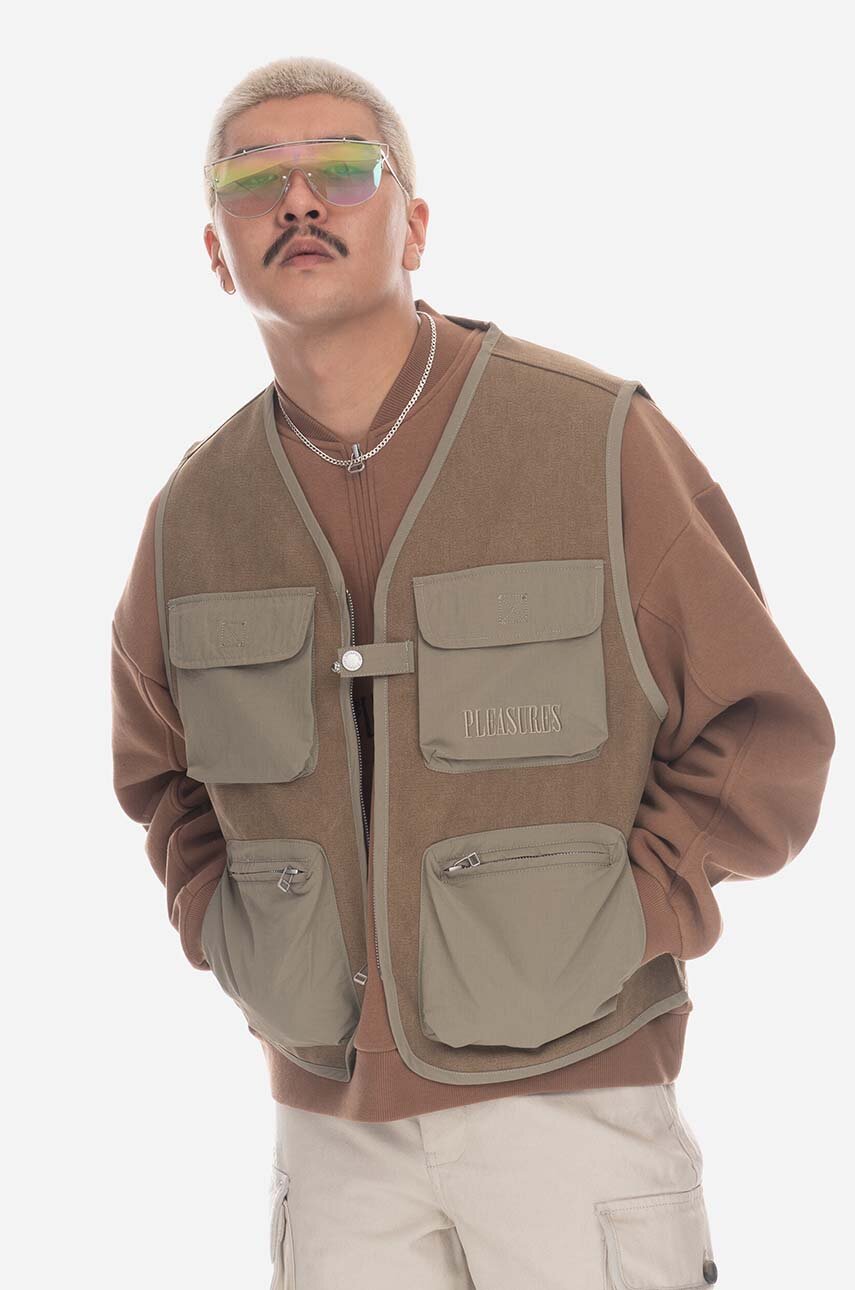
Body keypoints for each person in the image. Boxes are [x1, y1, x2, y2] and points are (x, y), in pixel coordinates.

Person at [110, 55, 836, 1290]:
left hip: (577, 1122)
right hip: (329, 1143)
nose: (300, 199)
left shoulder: (596, 439)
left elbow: (764, 733)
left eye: (344, 169)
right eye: (254, 178)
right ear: (216, 251)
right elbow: (161, 781)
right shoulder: (193, 516)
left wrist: (624, 919)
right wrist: (237, 937)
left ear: (415, 225)